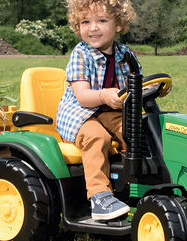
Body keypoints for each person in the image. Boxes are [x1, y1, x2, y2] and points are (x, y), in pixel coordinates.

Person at [56, 0, 171, 221]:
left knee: (140, 132)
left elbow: (138, 83)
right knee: (97, 137)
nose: (93, 27)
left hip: (112, 112)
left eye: (101, 20)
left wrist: (155, 90)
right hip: (80, 115)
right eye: (85, 21)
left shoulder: (125, 54)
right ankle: (100, 197)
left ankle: (147, 182)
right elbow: (82, 96)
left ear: (118, 24)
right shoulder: (81, 54)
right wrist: (103, 94)